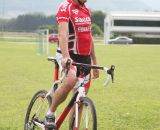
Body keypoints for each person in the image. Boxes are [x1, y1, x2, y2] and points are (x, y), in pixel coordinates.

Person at [45, 0, 99, 129]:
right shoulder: (65, 7)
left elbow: (88, 36)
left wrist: (95, 62)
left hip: (85, 58)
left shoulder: (85, 9)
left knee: (80, 99)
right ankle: (50, 113)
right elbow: (62, 34)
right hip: (67, 55)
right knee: (70, 80)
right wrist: (65, 57)